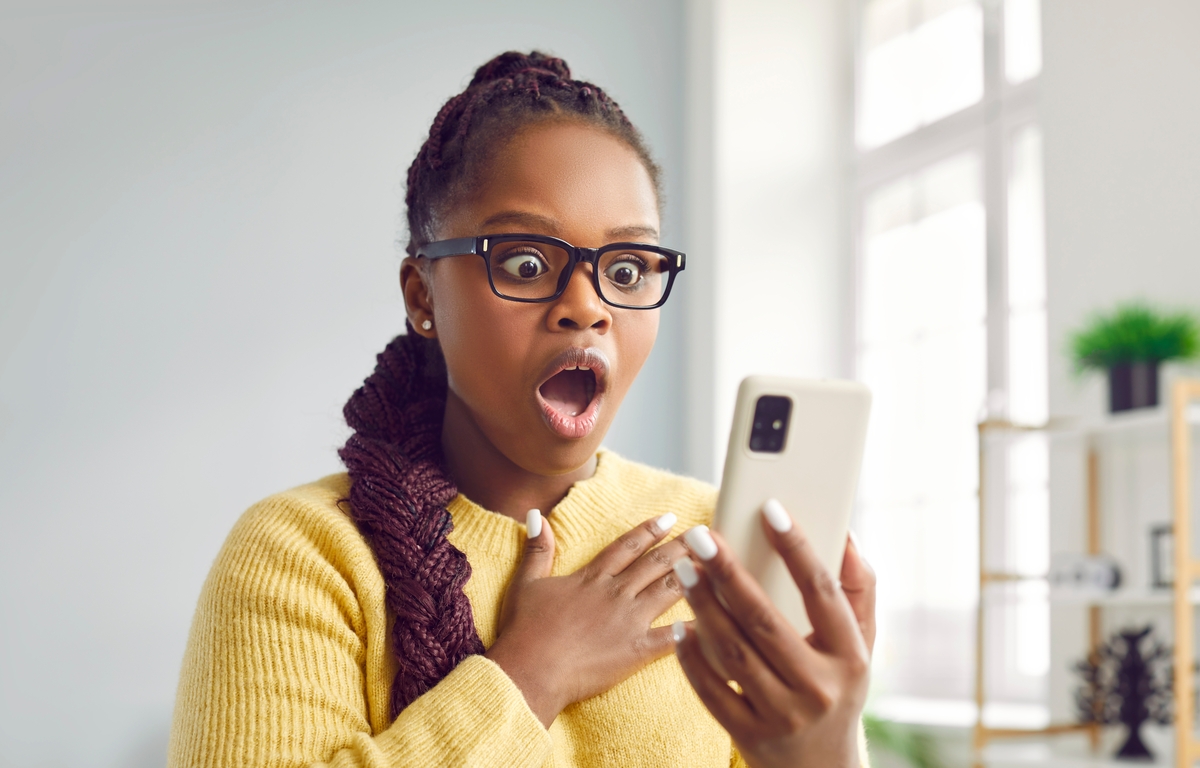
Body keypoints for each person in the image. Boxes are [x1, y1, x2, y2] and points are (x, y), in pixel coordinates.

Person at [167, 51, 876, 768]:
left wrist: (824, 752)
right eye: (526, 264)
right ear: (423, 297)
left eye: (627, 270)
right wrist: (531, 676)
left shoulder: (715, 549)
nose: (587, 307)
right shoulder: (302, 556)